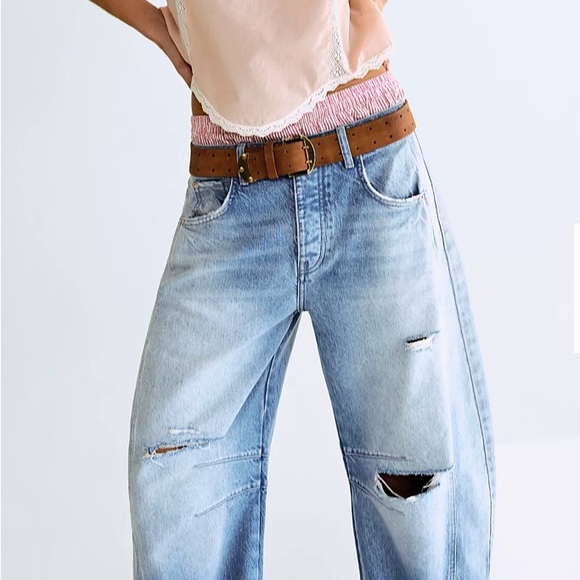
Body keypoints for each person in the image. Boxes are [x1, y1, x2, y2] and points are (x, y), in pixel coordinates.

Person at [89, 1, 496, 578]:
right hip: (227, 190)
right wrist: (159, 27)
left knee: (418, 481)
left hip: (366, 164)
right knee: (174, 475)